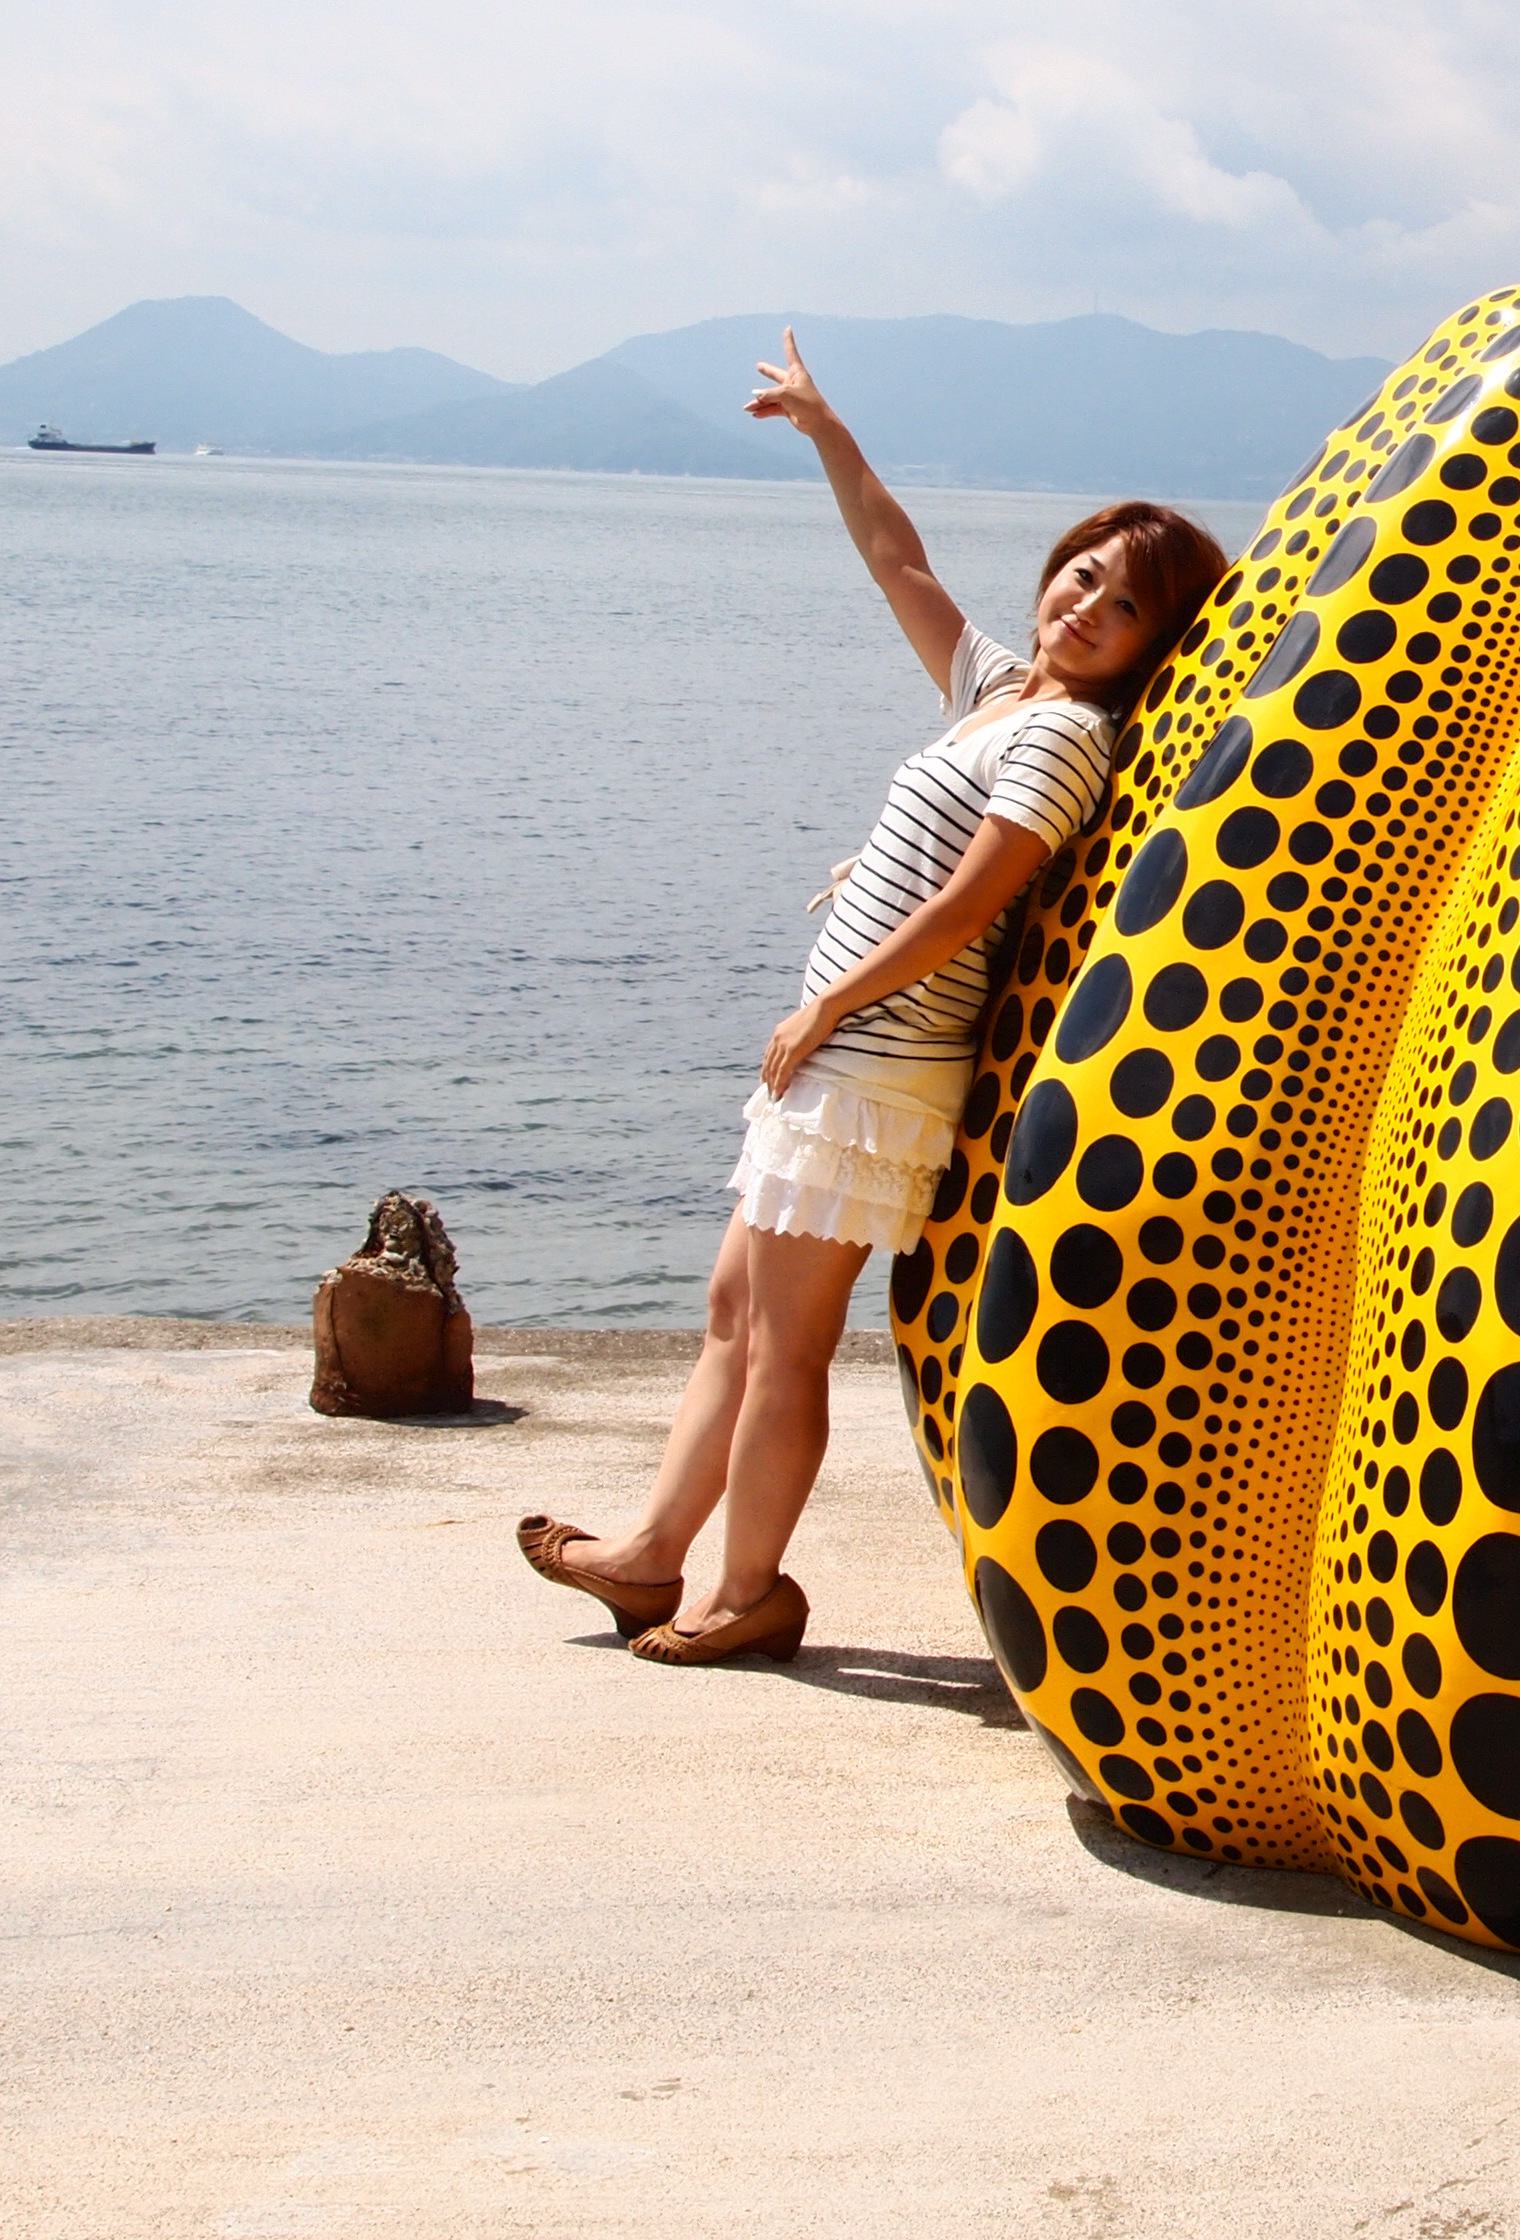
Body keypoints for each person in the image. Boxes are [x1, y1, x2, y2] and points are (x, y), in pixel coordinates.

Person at [518, 332, 1225, 1668]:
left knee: (785, 1347)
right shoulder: (1002, 691)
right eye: (1083, 574)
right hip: (838, 1060)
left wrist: (824, 1006)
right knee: (733, 1319)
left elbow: (968, 904)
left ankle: (747, 1593)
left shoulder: (1068, 735)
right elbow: (900, 563)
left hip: (873, 1066)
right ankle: (652, 1559)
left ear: (1151, 642)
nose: (1085, 607)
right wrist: (825, 427)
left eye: (1124, 606)